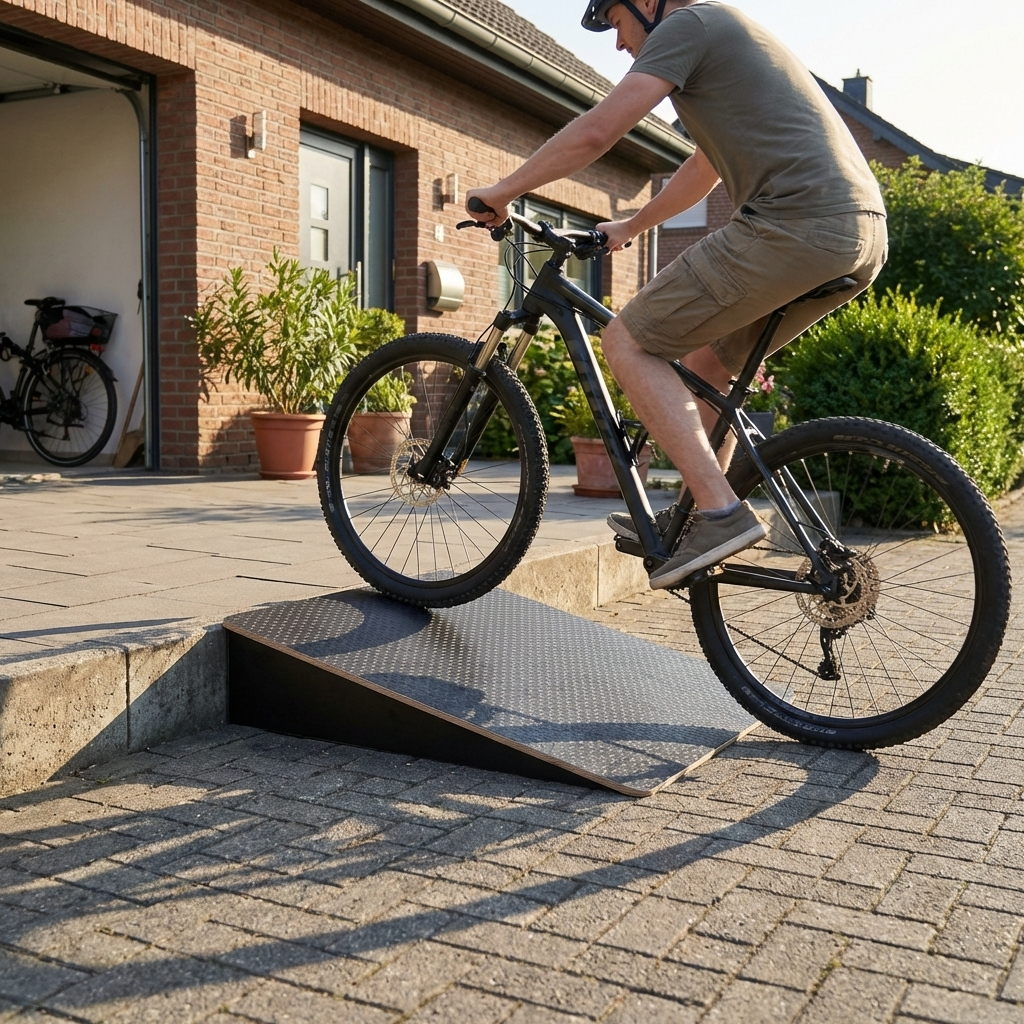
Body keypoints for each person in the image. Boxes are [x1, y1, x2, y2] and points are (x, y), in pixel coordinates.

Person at [466, 0, 887, 590]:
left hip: (796, 221)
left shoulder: (690, 25)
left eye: (614, 23)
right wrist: (631, 227)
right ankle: (698, 519)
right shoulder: (731, 38)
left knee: (628, 340)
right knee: (706, 365)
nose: (617, 44)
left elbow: (596, 131)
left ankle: (719, 511)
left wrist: (502, 191)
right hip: (857, 233)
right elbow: (705, 166)